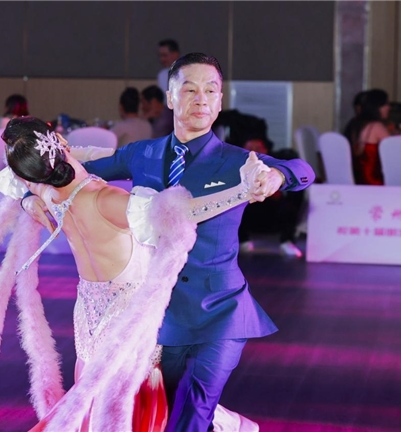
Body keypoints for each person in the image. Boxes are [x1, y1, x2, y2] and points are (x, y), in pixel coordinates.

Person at [0, 115, 270, 432]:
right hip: (125, 316)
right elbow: (183, 213)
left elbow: (11, 181)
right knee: (137, 401)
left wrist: (29, 197)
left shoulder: (48, 193)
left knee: (96, 401)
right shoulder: (106, 199)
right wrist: (241, 193)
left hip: (88, 314)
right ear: (58, 140)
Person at [24, 53, 315, 431]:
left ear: (220, 101)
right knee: (170, 415)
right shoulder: (142, 153)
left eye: (211, 90)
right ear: (171, 97)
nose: (201, 99)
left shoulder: (237, 160)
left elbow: (302, 170)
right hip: (162, 318)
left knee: (193, 412)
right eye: (190, 89)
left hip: (219, 311)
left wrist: (277, 176)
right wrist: (29, 195)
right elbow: (68, 175)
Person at [238, 139, 305, 258]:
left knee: (289, 207)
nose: (254, 152)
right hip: (246, 209)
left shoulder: (272, 167)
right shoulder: (236, 166)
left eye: (258, 148)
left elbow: (277, 195)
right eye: (250, 148)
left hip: (270, 208)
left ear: (265, 150)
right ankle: (242, 241)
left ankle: (287, 242)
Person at [344, 88, 390, 185]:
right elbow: (393, 152)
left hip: (356, 180)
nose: (388, 108)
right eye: (385, 105)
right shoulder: (377, 127)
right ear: (376, 107)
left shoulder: (355, 125)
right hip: (374, 182)